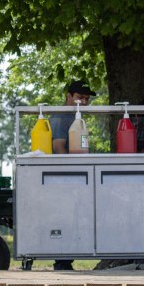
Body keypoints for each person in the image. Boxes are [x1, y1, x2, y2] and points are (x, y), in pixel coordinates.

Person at [48, 79, 97, 270]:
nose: (83, 102)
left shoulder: (75, 118)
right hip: (64, 178)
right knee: (66, 218)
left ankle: (65, 260)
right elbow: (58, 147)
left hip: (72, 177)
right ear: (68, 96)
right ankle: (62, 261)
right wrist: (71, 173)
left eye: (86, 99)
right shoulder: (63, 117)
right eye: (79, 98)